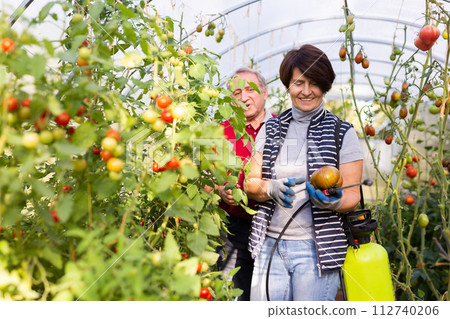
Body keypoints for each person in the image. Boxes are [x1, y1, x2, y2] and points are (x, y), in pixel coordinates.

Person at [243, 45, 364, 301]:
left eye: (314, 83)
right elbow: (250, 184)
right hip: (270, 246)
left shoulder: (341, 132)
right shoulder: (271, 128)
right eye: (299, 82)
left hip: (316, 251)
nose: (306, 91)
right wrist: (270, 189)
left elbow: (353, 194)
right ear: (288, 85)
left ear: (325, 85)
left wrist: (334, 202)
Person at [215, 67, 275, 301]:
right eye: (236, 93)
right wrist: (219, 190)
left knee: (269, 294)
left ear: (265, 92)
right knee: (233, 291)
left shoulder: (282, 127)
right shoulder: (221, 132)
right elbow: (205, 178)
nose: (243, 97)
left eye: (250, 89)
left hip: (274, 225)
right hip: (233, 227)